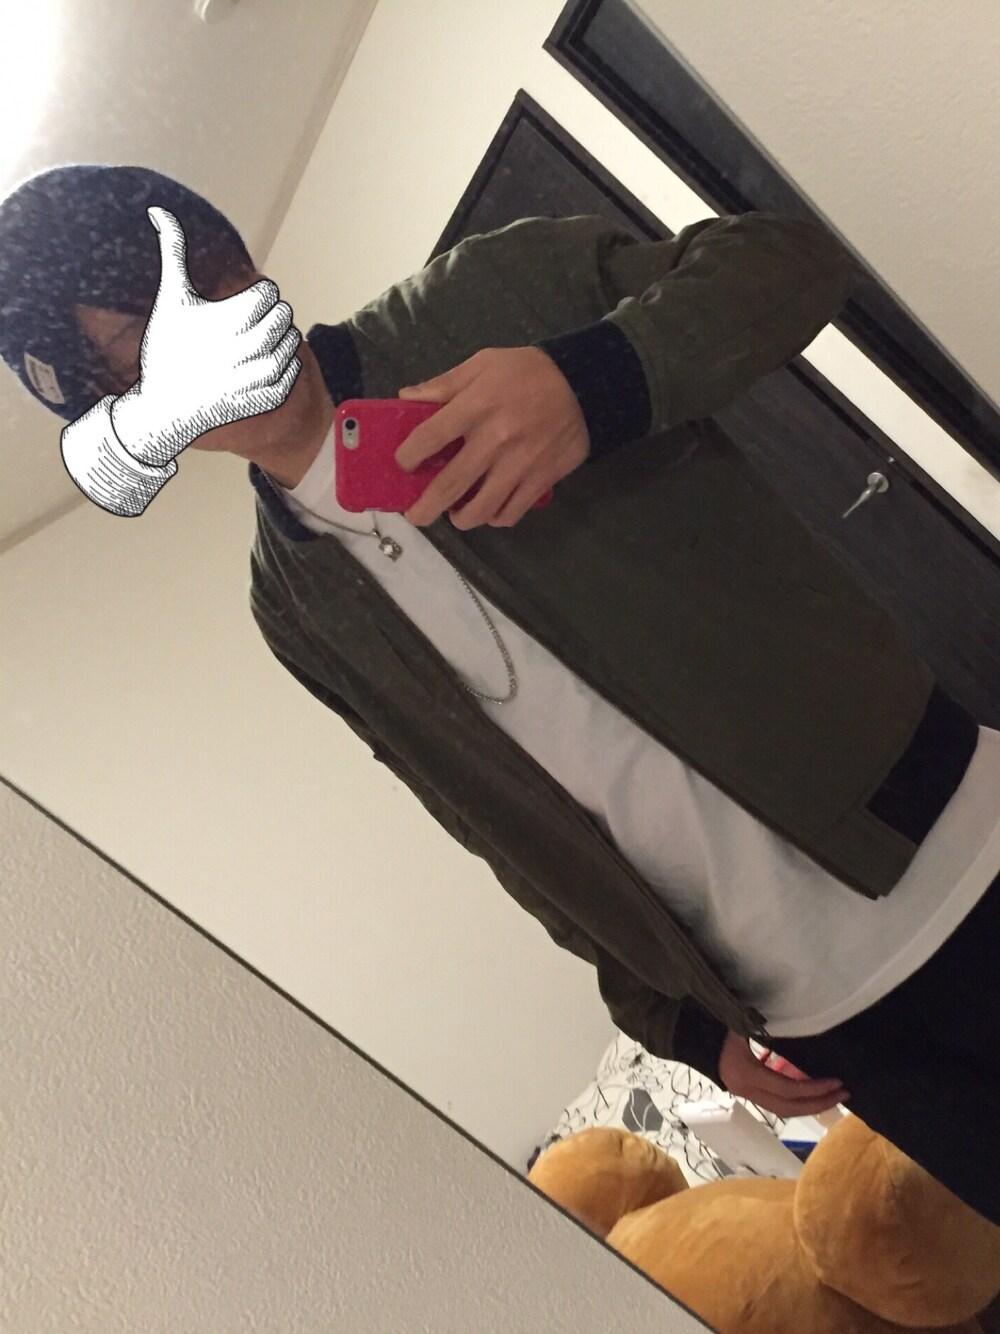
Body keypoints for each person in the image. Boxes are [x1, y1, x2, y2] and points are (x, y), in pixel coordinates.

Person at [1, 164, 997, 1224]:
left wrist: (596, 379)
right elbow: (494, 828)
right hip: (820, 1023)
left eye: (206, 278)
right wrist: (674, 1021)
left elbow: (794, 258)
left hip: (962, 842)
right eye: (148, 345)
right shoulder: (292, 604)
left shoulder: (484, 296)